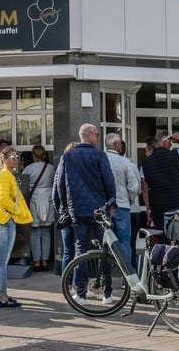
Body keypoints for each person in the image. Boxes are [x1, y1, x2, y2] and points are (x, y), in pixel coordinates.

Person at [56, 124, 116, 305]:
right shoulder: (99, 155)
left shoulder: (67, 157)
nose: (98, 138)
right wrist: (112, 202)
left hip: (77, 210)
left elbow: (60, 184)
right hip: (99, 210)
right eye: (97, 134)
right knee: (103, 250)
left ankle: (80, 294)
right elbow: (109, 181)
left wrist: (65, 207)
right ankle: (107, 293)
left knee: (80, 250)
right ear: (89, 135)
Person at [0, 148, 31, 309]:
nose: (16, 160)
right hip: (6, 221)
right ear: (4, 159)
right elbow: (3, 199)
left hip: (6, 220)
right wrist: (17, 212)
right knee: (2, 261)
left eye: (17, 157)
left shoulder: (7, 175)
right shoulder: (5, 175)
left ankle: (3, 295)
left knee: (3, 261)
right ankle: (3, 297)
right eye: (13, 157)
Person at [141, 131, 179, 230]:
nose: (171, 145)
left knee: (163, 238)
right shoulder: (178, 154)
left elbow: (145, 191)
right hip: (178, 205)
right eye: (170, 142)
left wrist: (149, 210)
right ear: (165, 142)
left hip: (158, 208)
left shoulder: (145, 164)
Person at [103, 134, 140, 263]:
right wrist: (130, 200)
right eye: (119, 143)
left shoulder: (101, 160)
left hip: (104, 206)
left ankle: (106, 276)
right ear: (115, 145)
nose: (121, 145)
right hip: (122, 205)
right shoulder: (125, 162)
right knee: (125, 241)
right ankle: (127, 277)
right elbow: (134, 187)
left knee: (107, 242)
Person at [20, 145, 55, 271]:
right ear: (45, 155)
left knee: (35, 232)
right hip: (48, 198)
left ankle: (36, 262)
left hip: (34, 198)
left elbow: (23, 185)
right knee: (46, 231)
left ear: (33, 155)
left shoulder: (28, 168)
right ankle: (45, 261)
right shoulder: (51, 168)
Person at [52, 142, 78, 276]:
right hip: (78, 214)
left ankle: (66, 283)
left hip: (65, 215)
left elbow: (54, 195)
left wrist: (61, 210)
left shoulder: (60, 169)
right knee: (80, 251)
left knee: (68, 251)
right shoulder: (80, 170)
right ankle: (77, 284)